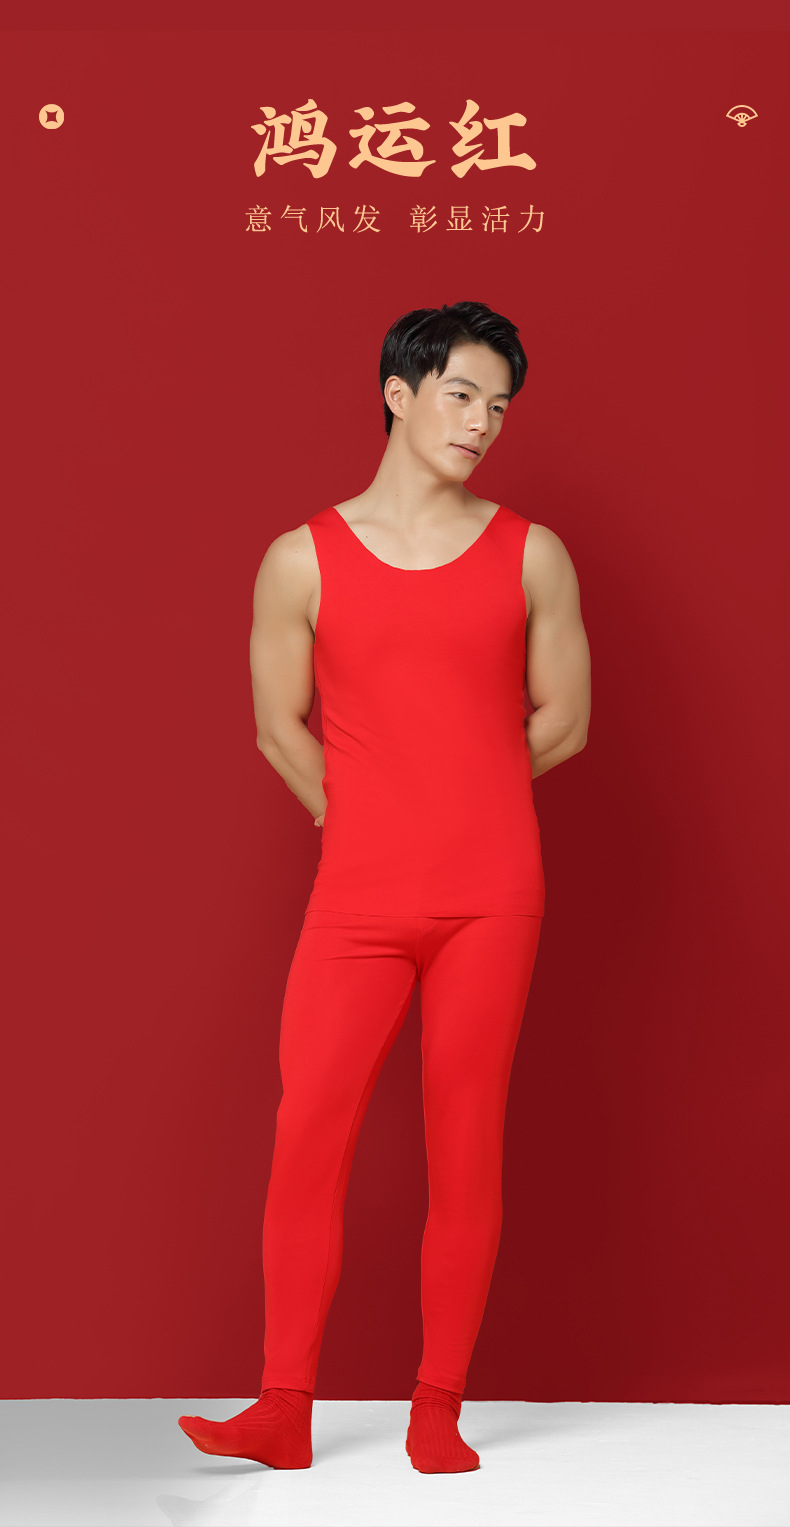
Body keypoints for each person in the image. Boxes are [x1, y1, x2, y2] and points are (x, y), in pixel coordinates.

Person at [179, 300, 591, 1474]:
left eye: (498, 406)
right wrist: (361, 812)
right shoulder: (300, 559)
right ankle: (282, 1408)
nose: (480, 423)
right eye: (460, 395)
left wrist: (462, 791)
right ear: (397, 394)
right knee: (306, 1135)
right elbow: (277, 726)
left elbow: (564, 719)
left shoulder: (532, 553)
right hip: (356, 898)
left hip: (492, 896)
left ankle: (436, 1406)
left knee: (466, 1144)